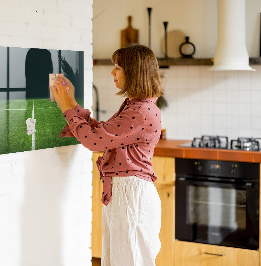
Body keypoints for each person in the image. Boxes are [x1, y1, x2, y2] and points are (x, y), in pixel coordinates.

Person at [51, 44, 163, 266]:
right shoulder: (136, 106)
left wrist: (66, 108)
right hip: (126, 193)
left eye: (118, 67)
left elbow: (94, 141)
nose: (112, 72)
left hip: (131, 195)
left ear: (134, 72)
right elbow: (102, 133)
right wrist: (72, 103)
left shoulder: (140, 111)